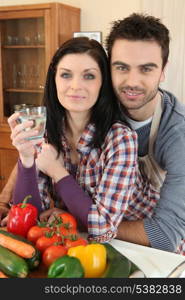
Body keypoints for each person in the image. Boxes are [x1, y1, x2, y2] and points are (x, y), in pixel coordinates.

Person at [7, 36, 144, 242]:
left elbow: (102, 228)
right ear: (54, 80)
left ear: (102, 83)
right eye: (65, 75)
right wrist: (26, 160)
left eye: (89, 76)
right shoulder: (45, 131)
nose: (75, 86)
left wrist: (56, 171)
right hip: (81, 243)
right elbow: (31, 218)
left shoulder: (121, 139)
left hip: (140, 248)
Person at [105, 13, 185, 254]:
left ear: (162, 71)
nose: (132, 82)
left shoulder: (178, 134)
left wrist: (88, 226)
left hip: (152, 245)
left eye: (146, 69)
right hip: (102, 235)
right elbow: (46, 140)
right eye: (122, 67)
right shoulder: (99, 105)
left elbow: (164, 235)